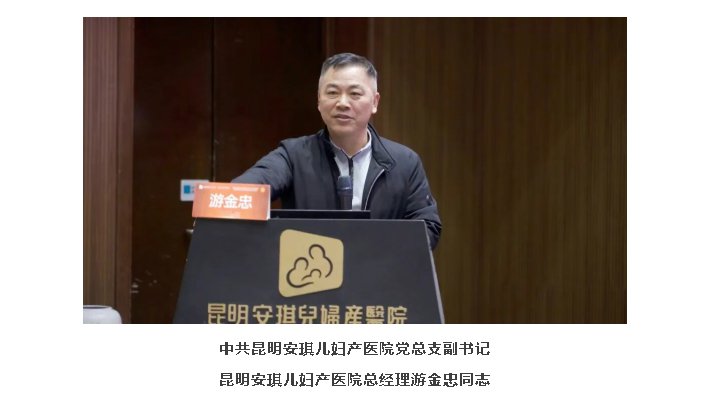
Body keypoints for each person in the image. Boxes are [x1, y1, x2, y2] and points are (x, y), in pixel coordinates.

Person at [233, 53, 442, 249]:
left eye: (354, 94)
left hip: (379, 271)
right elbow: (242, 192)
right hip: (311, 270)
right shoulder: (293, 155)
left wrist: (373, 249)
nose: (342, 103)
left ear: (375, 102)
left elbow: (428, 228)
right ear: (319, 100)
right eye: (332, 93)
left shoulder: (405, 162)